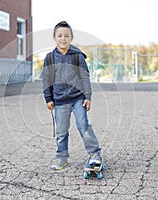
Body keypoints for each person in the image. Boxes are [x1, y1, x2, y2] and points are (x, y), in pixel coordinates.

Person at [40, 21, 102, 170]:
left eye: (66, 36)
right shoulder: (50, 58)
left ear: (71, 38)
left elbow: (84, 77)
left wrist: (88, 96)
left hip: (78, 98)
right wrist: (48, 98)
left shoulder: (77, 56)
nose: (63, 38)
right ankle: (62, 157)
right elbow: (46, 79)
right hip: (60, 100)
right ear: (54, 37)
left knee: (84, 126)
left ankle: (95, 154)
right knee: (61, 132)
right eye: (59, 35)